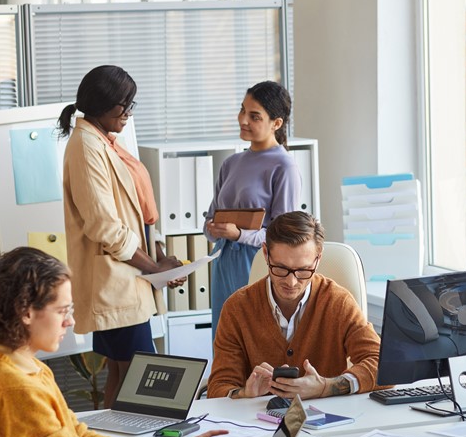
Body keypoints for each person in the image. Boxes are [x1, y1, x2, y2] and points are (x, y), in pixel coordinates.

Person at [0, 247, 240, 437]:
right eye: (62, 310)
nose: (70, 321)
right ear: (26, 312)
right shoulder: (16, 388)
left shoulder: (4, 361)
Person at [59, 65, 184, 408]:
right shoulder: (87, 147)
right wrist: (153, 269)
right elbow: (105, 226)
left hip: (127, 280)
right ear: (103, 105)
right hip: (115, 282)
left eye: (132, 105)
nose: (129, 113)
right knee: (143, 378)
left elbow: (138, 214)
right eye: (124, 105)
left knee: (122, 372)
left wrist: (158, 261)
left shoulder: (106, 142)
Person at [207, 211, 381, 400]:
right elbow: (218, 388)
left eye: (304, 270)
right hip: (257, 424)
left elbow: (382, 364)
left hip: (326, 422)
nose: (291, 282)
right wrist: (244, 393)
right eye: (281, 268)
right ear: (265, 254)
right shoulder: (237, 308)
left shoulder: (337, 302)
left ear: (317, 259)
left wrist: (326, 387)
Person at [204, 80, 301, 339]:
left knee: (255, 341)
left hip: (256, 264)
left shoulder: (284, 167)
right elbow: (210, 217)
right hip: (223, 262)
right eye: (242, 110)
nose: (243, 120)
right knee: (224, 340)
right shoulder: (231, 163)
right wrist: (212, 228)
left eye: (254, 116)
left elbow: (284, 238)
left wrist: (240, 235)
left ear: (276, 123)